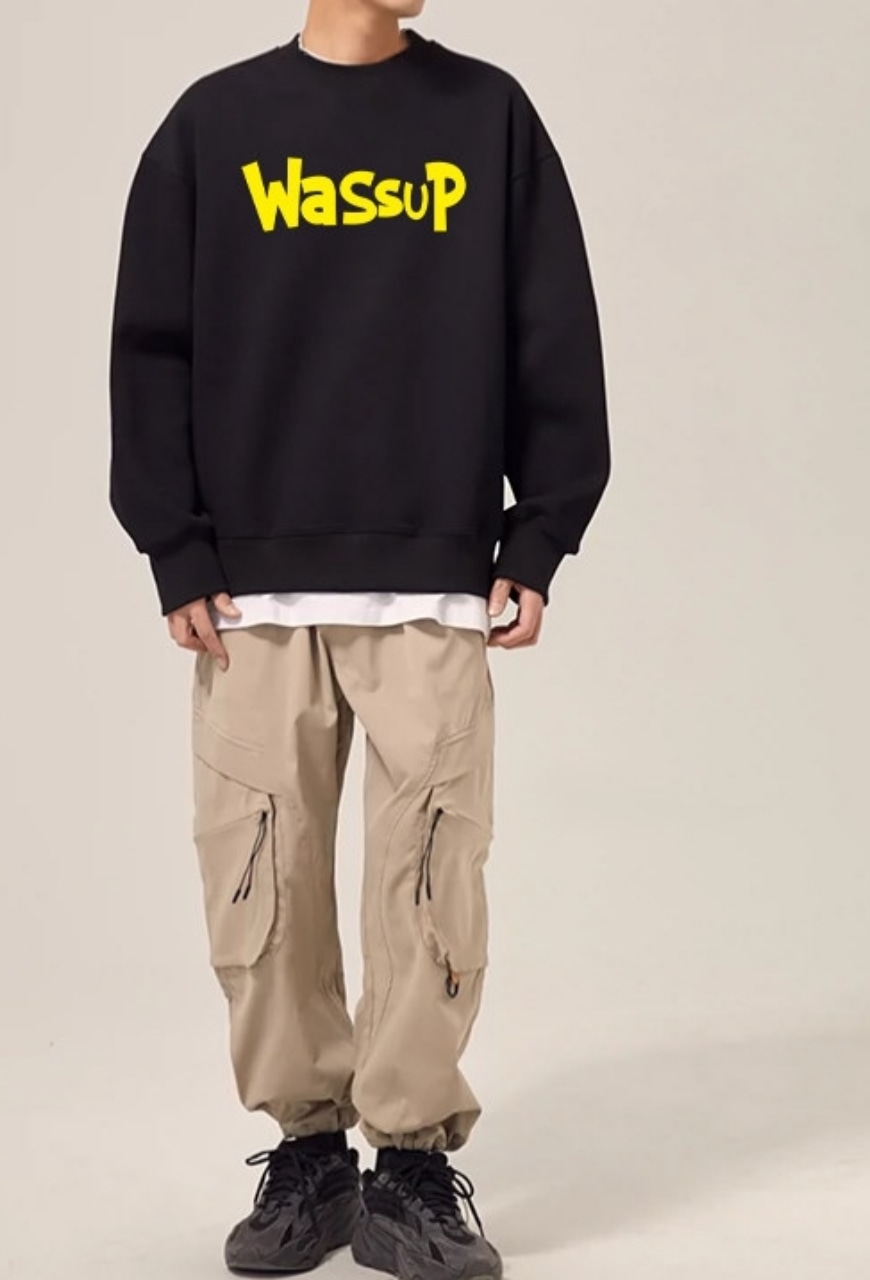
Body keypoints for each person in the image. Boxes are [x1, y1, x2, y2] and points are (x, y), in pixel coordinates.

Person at [108, 1, 610, 1276]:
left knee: (428, 880)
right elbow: (149, 349)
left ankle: (411, 1167)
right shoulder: (214, 125)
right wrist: (175, 544)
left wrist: (537, 533)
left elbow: (553, 331)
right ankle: (309, 1150)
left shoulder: (487, 116)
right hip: (249, 591)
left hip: (432, 576)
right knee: (260, 879)